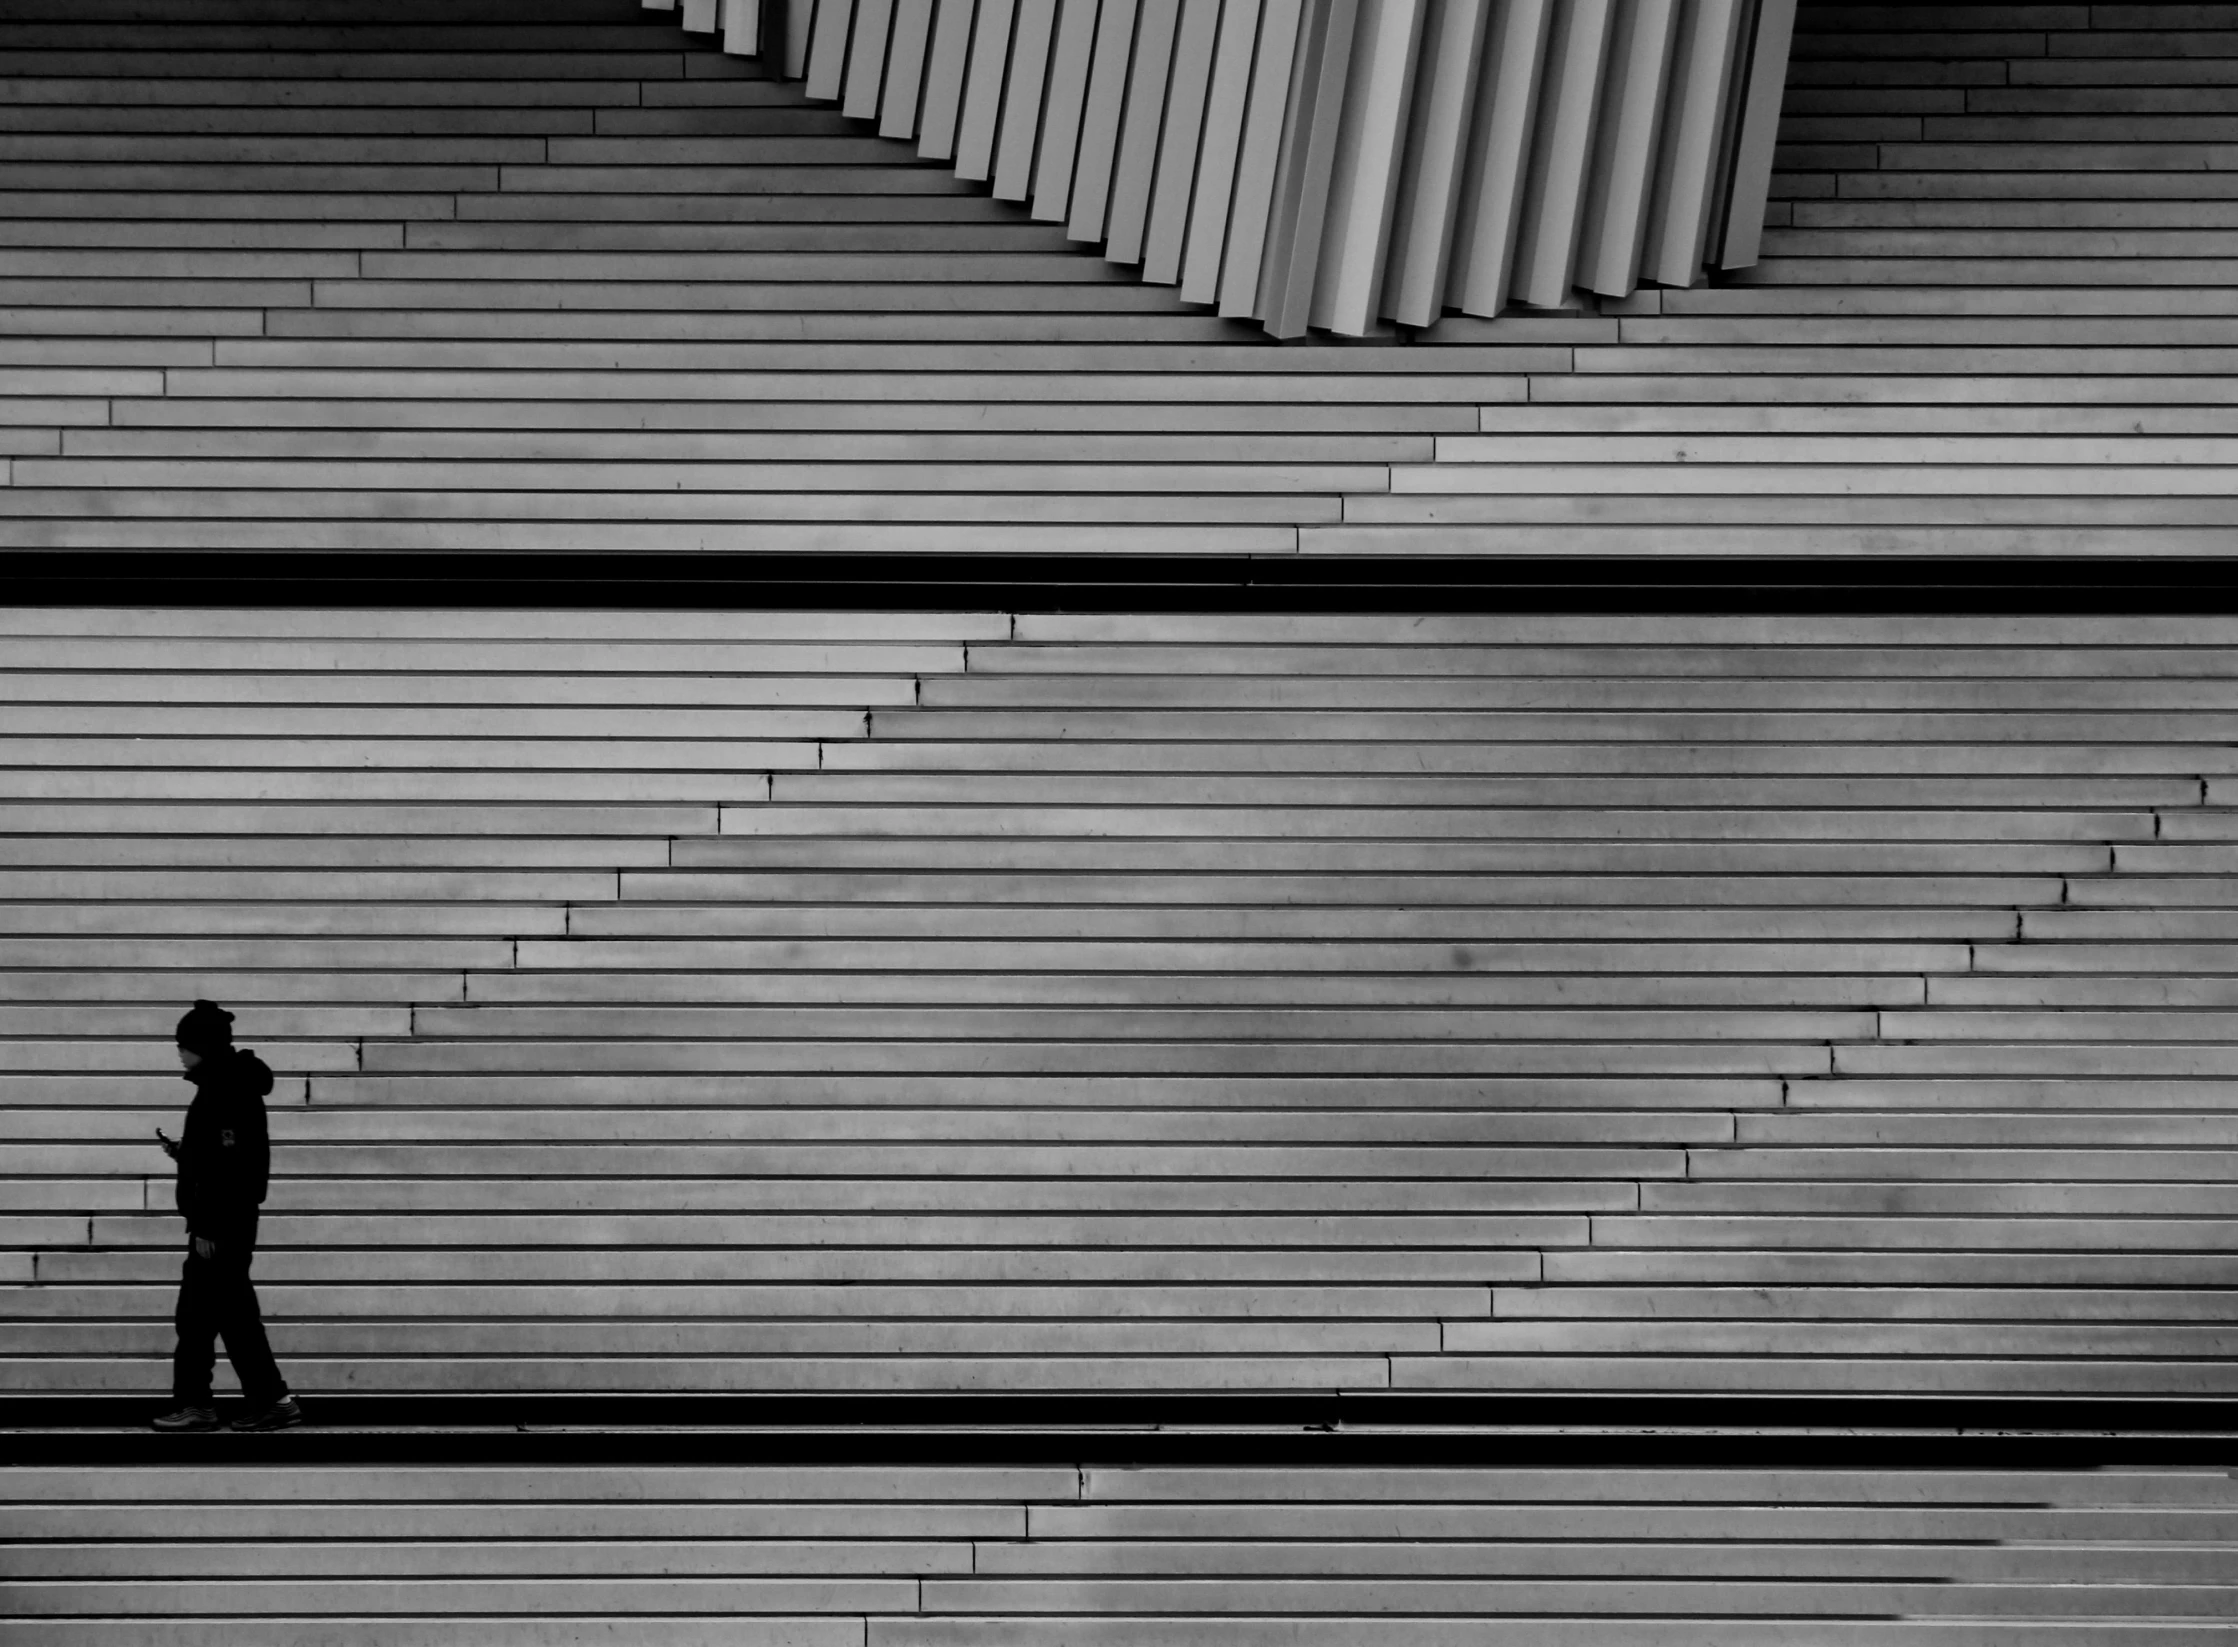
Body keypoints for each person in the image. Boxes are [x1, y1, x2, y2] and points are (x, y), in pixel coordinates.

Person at [149, 1000, 302, 1432]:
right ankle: (221, 1402)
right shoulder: (225, 1084)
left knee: (220, 1317)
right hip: (225, 1219)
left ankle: (251, 1401)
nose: (179, 1052)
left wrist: (207, 1226)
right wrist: (187, 1152)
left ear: (203, 1046)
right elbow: (222, 1154)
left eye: (184, 1044)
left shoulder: (226, 1088)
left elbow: (231, 1166)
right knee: (209, 1317)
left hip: (222, 1224)